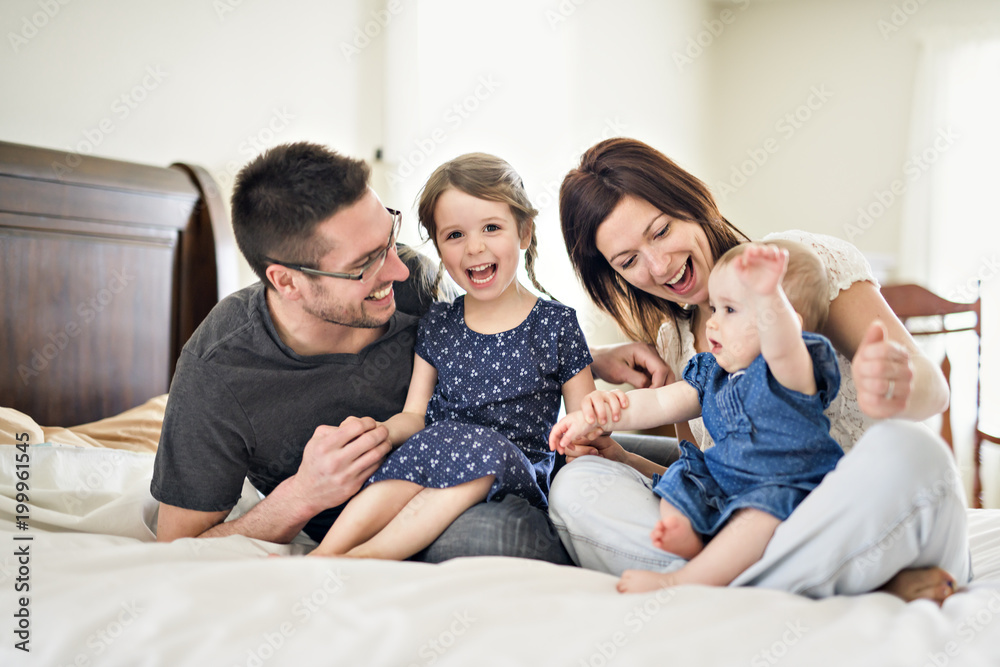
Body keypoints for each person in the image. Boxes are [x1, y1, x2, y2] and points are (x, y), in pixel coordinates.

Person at [150, 141, 655, 562]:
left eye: (390, 238)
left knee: (679, 461)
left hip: (529, 452)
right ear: (288, 282)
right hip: (399, 506)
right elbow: (179, 547)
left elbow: (496, 337)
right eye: (366, 263)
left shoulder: (412, 280)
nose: (397, 269)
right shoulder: (222, 367)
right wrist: (302, 496)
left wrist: (590, 357)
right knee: (500, 539)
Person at [549, 137, 970, 602]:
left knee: (910, 450)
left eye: (662, 231)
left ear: (690, 202)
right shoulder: (680, 343)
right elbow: (714, 480)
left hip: (866, 513)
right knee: (576, 486)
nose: (659, 265)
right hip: (762, 526)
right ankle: (841, 583)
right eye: (628, 261)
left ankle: (720, 584)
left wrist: (896, 382)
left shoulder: (793, 267)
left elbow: (933, 392)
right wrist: (623, 460)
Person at [310, 152, 599, 560]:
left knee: (481, 452)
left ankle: (362, 562)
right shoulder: (439, 323)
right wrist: (379, 433)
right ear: (440, 247)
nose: (475, 248)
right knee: (415, 460)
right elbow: (414, 415)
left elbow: (583, 423)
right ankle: (324, 556)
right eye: (455, 235)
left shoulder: (556, 324)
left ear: (525, 233)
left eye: (492, 228)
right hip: (439, 455)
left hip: (515, 470)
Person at [552, 241, 845, 592]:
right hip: (723, 486)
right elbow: (659, 403)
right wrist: (600, 417)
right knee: (680, 486)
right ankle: (694, 540)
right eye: (713, 308)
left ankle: (682, 578)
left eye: (730, 310)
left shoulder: (789, 372)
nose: (713, 324)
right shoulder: (712, 374)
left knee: (757, 520)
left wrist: (769, 296)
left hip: (782, 489)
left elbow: (783, 343)